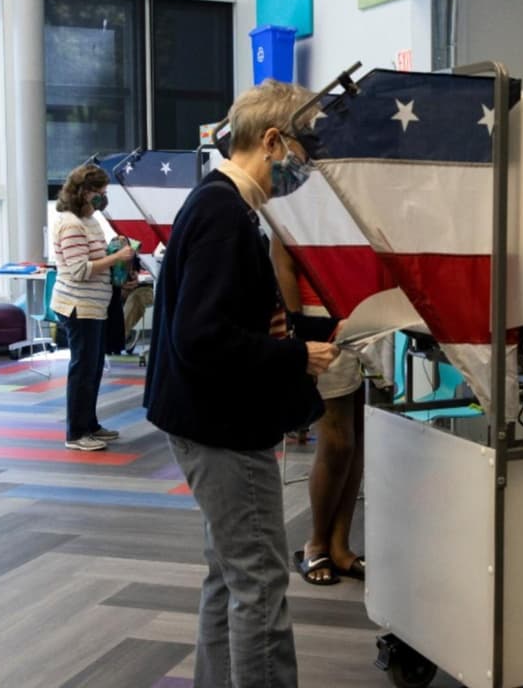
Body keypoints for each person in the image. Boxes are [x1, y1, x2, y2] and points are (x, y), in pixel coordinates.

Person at [144, 79, 339, 687]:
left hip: (204, 420)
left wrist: (295, 344)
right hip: (222, 427)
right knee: (258, 582)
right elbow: (202, 338)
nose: (303, 169)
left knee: (230, 575)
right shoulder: (224, 215)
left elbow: (216, 323)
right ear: (272, 141)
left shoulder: (216, 203)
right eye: (300, 154)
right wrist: (294, 356)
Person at [270, 236, 367, 585]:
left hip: (359, 313)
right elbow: (282, 258)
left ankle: (339, 545)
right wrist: (297, 328)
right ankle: (316, 543)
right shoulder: (296, 204)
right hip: (318, 317)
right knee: (338, 441)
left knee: (357, 439)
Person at [50, 164, 135, 451]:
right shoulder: (71, 224)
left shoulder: (90, 220)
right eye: (99, 191)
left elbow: (94, 258)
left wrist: (113, 250)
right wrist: (117, 258)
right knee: (83, 369)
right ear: (83, 192)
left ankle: (90, 424)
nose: (103, 196)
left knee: (94, 368)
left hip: (94, 306)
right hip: (78, 306)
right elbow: (78, 270)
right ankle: (76, 433)